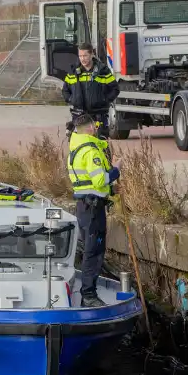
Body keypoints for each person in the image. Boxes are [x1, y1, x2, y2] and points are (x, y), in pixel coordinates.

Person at [67, 113, 121, 308]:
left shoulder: (76, 147)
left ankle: (88, 291)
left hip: (85, 206)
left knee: (91, 249)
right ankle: (89, 295)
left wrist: (110, 189)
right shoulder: (90, 151)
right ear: (90, 128)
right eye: (95, 125)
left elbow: (89, 181)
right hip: (93, 209)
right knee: (94, 251)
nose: (97, 128)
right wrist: (116, 170)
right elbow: (100, 179)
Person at [62, 43, 120, 139]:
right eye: (80, 56)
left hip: (99, 116)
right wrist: (71, 99)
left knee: (101, 144)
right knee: (80, 146)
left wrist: (104, 100)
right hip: (79, 116)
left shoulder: (103, 71)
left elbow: (115, 89)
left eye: (85, 55)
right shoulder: (73, 72)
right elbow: (65, 90)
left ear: (92, 54)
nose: (82, 59)